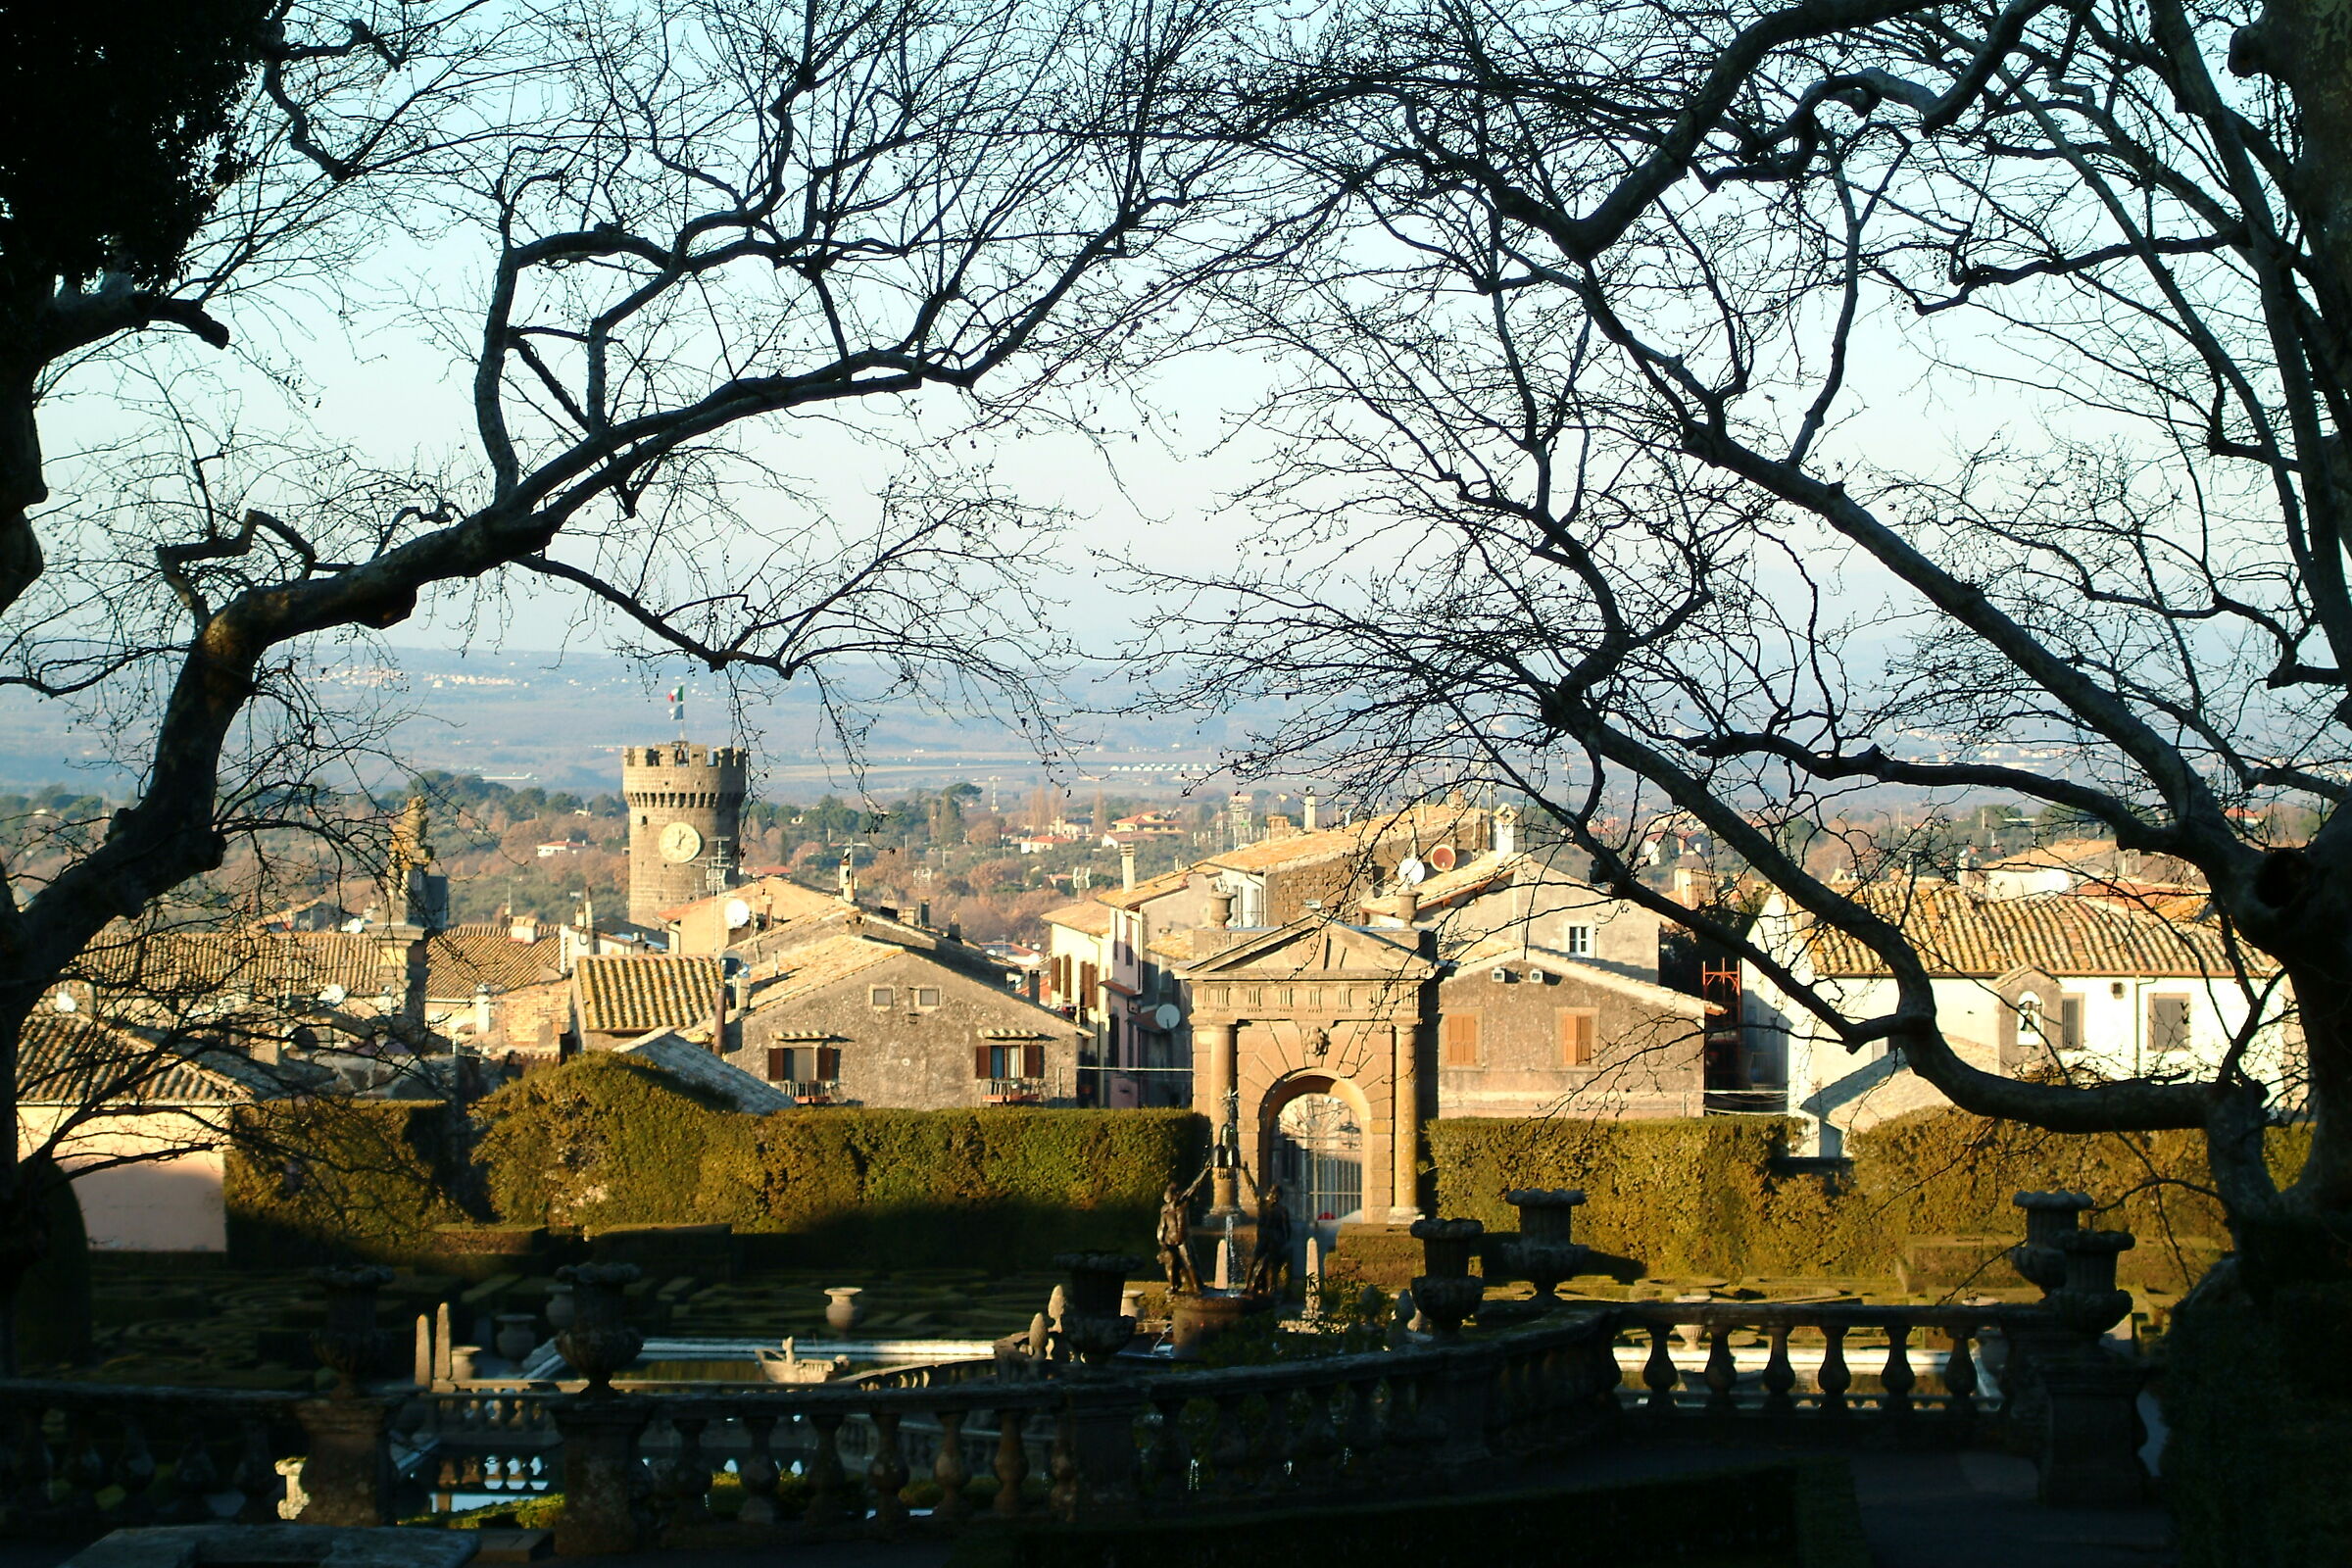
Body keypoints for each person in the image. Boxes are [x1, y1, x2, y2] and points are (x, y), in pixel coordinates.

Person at [1157, 1165, 1209, 1295]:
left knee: (1190, 1262)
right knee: (1171, 1264)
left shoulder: (1183, 1204)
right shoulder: (1165, 1209)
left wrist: (1205, 1171)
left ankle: (1197, 1287)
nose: (1175, 1197)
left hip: (1183, 1239)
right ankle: (1173, 1286)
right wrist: (1161, 1242)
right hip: (1170, 1240)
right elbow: (1162, 1226)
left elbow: (1194, 1186)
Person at [1247, 1180, 1294, 1298]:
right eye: (1273, 1194)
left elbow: (1287, 1228)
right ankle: (1247, 1287)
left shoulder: (1282, 1210)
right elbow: (1252, 1187)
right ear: (1270, 1194)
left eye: (1277, 1195)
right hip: (1263, 1239)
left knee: (1271, 1265)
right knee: (1253, 1261)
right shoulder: (1262, 1204)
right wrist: (1245, 1172)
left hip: (1274, 1241)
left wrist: (1284, 1242)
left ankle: (1271, 1288)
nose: (1275, 1197)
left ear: (1280, 1197)